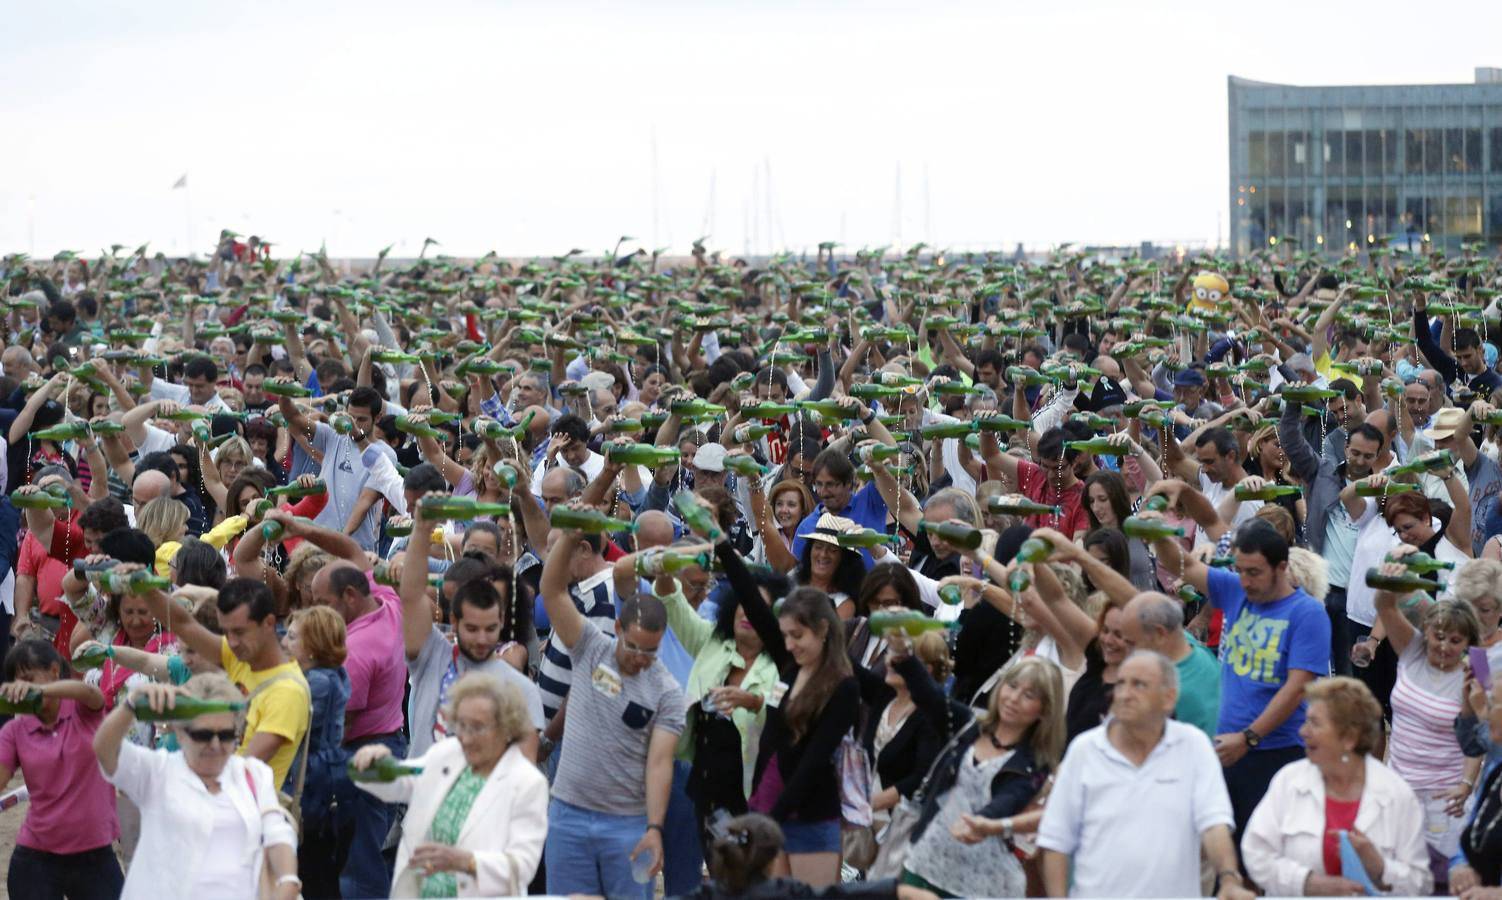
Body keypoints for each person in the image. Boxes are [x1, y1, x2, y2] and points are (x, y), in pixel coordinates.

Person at [1144, 514, 1330, 837]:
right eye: (1240, 571)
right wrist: (1158, 534)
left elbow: (1297, 687)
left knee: (1268, 847)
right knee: (1227, 844)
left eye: (1254, 573)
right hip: (1228, 746)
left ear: (1281, 568)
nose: (1245, 581)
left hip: (1277, 752)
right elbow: (1183, 564)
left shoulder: (1307, 613)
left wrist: (1249, 738)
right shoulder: (1237, 591)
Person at [539, 503, 687, 899]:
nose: (640, 657)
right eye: (633, 646)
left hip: (627, 823)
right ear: (618, 627)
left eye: (650, 651)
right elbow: (552, 591)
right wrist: (571, 535)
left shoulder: (667, 691)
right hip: (568, 814)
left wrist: (654, 828)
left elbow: (659, 764)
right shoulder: (591, 646)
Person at [1038, 651, 1252, 900]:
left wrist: (1228, 878)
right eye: (1121, 683)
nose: (1125, 694)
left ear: (1169, 698)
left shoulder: (1194, 746)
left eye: (1139, 685)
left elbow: (1214, 824)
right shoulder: (1084, 750)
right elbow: (1056, 841)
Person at [94, 673, 301, 899]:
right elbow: (104, 749)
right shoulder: (157, 771)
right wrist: (130, 706)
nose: (215, 744)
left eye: (226, 735)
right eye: (203, 735)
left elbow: (277, 833)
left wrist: (288, 880)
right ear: (180, 733)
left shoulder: (253, 774)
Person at [350, 672, 549, 898]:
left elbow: (521, 866)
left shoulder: (527, 784)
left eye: (478, 727)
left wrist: (466, 861)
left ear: (507, 728)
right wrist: (374, 765)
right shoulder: (448, 753)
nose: (466, 737)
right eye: (461, 725)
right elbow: (403, 779)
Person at [1240, 677, 1432, 896]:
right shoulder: (1289, 781)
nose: (1303, 731)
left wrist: (1380, 868)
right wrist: (1307, 883)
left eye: (1315, 723)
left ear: (1349, 738)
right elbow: (1256, 853)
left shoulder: (1396, 794)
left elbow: (1420, 883)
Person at [897, 653, 1064, 899]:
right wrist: (903, 655)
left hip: (980, 883)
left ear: (1044, 711)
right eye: (1012, 686)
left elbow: (1009, 800)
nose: (1013, 698)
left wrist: (981, 822)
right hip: (925, 859)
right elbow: (931, 697)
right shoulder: (968, 725)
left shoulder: (1036, 763)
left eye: (1029, 695)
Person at [1370, 551, 1483, 885]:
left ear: (1468, 642)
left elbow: (1478, 739)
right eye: (1438, 635)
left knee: (1441, 884)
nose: (1444, 646)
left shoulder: (1475, 671)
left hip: (1443, 800)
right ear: (1427, 631)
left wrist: (1466, 785)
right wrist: (1390, 577)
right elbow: (1385, 607)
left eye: (1455, 640)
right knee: (1396, 881)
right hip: (1399, 788)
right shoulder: (1414, 649)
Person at [137, 573, 311, 788]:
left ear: (269, 623)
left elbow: (242, 769)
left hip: (241, 804)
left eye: (239, 632)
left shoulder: (287, 692)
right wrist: (143, 586)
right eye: (226, 632)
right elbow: (183, 624)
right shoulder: (242, 656)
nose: (232, 642)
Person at [399, 510, 544, 759]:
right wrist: (422, 528)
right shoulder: (433, 655)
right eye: (472, 628)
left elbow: (523, 768)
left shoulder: (522, 690)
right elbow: (411, 595)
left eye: (490, 629)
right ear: (455, 621)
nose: (481, 639)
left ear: (502, 621)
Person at [309, 559, 408, 899]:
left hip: (363, 757)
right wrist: (306, 531)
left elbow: (341, 727)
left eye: (323, 602)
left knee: (359, 863)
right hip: (391, 745)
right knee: (370, 853)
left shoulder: (355, 650)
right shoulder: (387, 604)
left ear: (349, 595)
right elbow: (352, 551)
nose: (317, 611)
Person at [0, 640, 122, 899]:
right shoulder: (15, 730)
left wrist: (42, 691)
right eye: (17, 682)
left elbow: (91, 694)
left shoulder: (83, 710)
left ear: (55, 671)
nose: (23, 688)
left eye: (29, 679)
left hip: (95, 855)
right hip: (36, 856)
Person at [680, 813, 936, 900]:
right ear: (773, 859)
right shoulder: (786, 892)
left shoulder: (706, 894)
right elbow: (841, 894)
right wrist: (898, 890)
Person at [283, 606, 353, 900]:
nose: (284, 643)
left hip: (310, 789)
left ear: (313, 646)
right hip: (322, 786)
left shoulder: (316, 683)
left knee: (311, 877)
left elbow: (287, 726)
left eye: (292, 637)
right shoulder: (332, 674)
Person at [1118, 591, 1221, 739]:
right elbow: (1144, 606)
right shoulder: (1188, 645)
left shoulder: (1173, 693)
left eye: (1132, 643)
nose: (1127, 652)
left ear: (1160, 633)